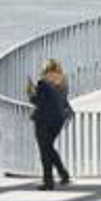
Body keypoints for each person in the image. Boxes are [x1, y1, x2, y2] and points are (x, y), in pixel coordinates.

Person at [30, 59, 74, 190]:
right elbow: (62, 100)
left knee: (45, 150)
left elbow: (39, 102)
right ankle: (63, 174)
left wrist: (31, 94)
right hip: (59, 119)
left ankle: (48, 181)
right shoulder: (63, 81)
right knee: (48, 147)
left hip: (43, 119)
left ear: (46, 68)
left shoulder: (43, 82)